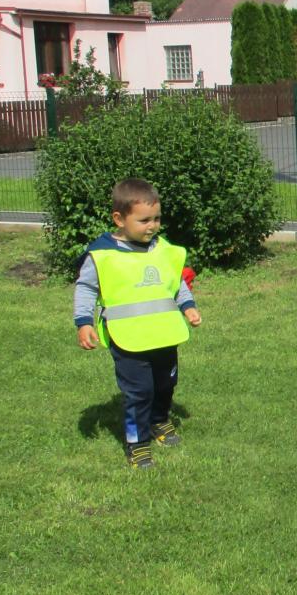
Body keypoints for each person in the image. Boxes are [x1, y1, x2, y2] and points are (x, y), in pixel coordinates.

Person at [74, 178, 201, 469]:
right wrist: (84, 322)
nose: (152, 226)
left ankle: (159, 420)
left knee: (166, 384)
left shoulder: (162, 249)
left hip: (164, 335)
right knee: (139, 392)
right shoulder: (102, 255)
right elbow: (85, 289)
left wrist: (188, 306)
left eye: (156, 219)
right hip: (127, 339)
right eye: (144, 220)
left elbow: (176, 282)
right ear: (119, 219)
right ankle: (137, 443)